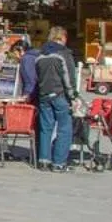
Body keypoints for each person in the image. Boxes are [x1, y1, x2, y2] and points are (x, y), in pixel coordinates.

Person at [27, 26, 79, 172]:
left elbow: (37, 78)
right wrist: (73, 96)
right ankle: (59, 162)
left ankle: (44, 160)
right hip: (60, 95)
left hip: (44, 96)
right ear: (63, 38)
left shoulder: (40, 56)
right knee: (64, 128)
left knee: (46, 128)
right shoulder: (63, 54)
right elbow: (68, 77)